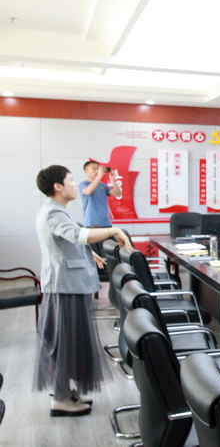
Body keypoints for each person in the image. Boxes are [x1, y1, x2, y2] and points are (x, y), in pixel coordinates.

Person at [34, 165, 132, 417]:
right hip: (64, 288)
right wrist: (113, 230)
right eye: (70, 179)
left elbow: (66, 241)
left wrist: (89, 253)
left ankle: (65, 392)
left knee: (69, 343)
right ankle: (61, 398)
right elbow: (77, 234)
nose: (74, 184)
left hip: (68, 285)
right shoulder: (53, 213)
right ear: (58, 186)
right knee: (64, 344)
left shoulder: (57, 211)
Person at [80, 160, 121, 227]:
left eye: (98, 169)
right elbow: (88, 191)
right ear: (86, 171)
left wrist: (113, 180)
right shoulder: (83, 184)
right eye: (94, 169)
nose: (97, 171)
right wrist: (99, 176)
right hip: (91, 222)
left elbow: (118, 193)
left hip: (106, 222)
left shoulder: (103, 185)